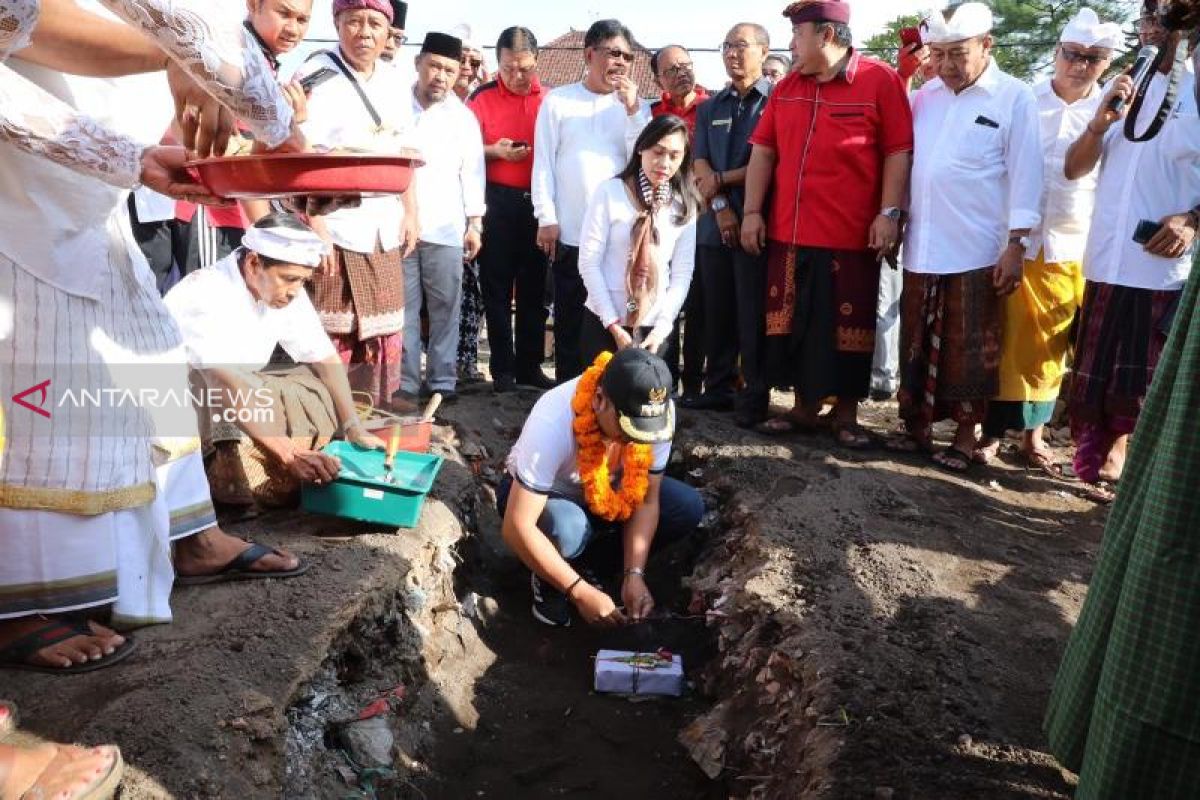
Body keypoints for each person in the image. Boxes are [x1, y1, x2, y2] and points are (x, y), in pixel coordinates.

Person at [0, 0, 306, 673]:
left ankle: (190, 532)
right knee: (37, 375)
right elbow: (23, 22)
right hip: (15, 197)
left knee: (149, 343)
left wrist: (131, 153)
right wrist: (255, 108)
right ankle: (19, 599)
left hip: (75, 180)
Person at [741, 0, 913, 448]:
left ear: (827, 36)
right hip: (789, 231)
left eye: (799, 35)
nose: (792, 45)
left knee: (847, 329)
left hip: (851, 235)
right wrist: (752, 212)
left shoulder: (880, 81)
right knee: (794, 323)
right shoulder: (787, 87)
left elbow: (898, 151)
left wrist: (889, 213)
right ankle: (802, 409)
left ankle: (846, 414)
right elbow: (763, 151)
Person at [891, 2, 1043, 471]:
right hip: (923, 243)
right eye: (937, 55)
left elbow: (1027, 175)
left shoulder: (1015, 97)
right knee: (914, 341)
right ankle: (914, 427)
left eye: (958, 54)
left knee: (970, 349)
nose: (946, 66)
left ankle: (963, 436)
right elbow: (905, 161)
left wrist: (1017, 244)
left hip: (980, 247)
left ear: (986, 46)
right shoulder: (925, 96)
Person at [1062, 2, 1200, 502]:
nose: (1151, 32)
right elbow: (1074, 169)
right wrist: (1098, 125)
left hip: (1160, 266)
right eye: (1146, 23)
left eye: (1163, 24)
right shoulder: (1122, 88)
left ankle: (1127, 459)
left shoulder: (1196, 90)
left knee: (1142, 377)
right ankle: (1092, 455)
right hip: (1106, 257)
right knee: (1097, 367)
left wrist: (1192, 220)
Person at [976, 10, 1120, 474]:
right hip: (1016, 238)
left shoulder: (1115, 112)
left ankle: (1034, 437)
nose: (1079, 65)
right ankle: (992, 434)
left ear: (1106, 62)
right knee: (1007, 339)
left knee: (1052, 347)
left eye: (1092, 58)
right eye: (1072, 54)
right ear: (1057, 53)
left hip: (1073, 242)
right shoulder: (1022, 99)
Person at [165, 213, 387, 507]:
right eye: (290, 279)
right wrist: (288, 454)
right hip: (175, 404)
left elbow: (324, 357)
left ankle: (279, 468)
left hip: (234, 387)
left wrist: (354, 426)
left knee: (312, 389)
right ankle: (223, 484)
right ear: (254, 263)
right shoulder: (204, 293)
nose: (295, 290)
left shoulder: (285, 291)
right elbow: (221, 382)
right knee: (223, 395)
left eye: (302, 281)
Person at [498, 347, 704, 627]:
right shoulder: (552, 419)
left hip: (611, 496)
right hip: (543, 501)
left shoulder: (656, 415)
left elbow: (646, 500)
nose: (635, 442)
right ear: (599, 400)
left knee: (685, 506)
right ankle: (552, 577)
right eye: (628, 430)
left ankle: (592, 568)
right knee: (568, 527)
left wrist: (635, 573)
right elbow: (516, 525)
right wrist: (579, 592)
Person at [300, 0, 418, 411]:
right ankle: (328, 417)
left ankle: (376, 411)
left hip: (383, 224)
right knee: (333, 332)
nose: (364, 32)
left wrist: (411, 212)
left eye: (374, 23)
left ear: (389, 31)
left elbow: (405, 155)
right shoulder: (316, 75)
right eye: (353, 21)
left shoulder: (395, 80)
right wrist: (316, 227)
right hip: (336, 223)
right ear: (337, 23)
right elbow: (301, 159)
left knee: (384, 330)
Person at [531, 18, 651, 381]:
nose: (620, 63)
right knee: (569, 319)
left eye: (628, 57)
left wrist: (632, 110)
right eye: (614, 53)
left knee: (615, 318)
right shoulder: (559, 100)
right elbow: (544, 163)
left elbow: (642, 159)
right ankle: (569, 393)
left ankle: (613, 393)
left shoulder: (636, 106)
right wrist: (545, 216)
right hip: (570, 231)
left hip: (620, 238)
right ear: (589, 54)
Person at [690, 22, 773, 425]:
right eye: (726, 46)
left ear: (764, 50)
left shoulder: (777, 101)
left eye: (741, 46)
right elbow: (700, 162)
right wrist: (720, 203)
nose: (732, 54)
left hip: (758, 222)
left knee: (751, 311)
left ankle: (755, 392)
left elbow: (771, 159)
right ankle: (718, 387)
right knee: (716, 308)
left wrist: (724, 181)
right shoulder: (710, 107)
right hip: (715, 223)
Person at [399, 31, 486, 403]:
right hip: (398, 226)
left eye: (450, 70)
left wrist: (475, 222)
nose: (441, 76)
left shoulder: (463, 118)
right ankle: (403, 383)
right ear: (419, 64)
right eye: (434, 66)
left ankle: (442, 381)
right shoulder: (394, 104)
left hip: (447, 228)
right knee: (401, 310)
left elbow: (473, 172)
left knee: (445, 309)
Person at [469, 26, 556, 393]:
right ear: (497, 63)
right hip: (497, 200)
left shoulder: (551, 99)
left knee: (535, 289)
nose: (517, 77)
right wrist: (495, 152)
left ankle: (529, 366)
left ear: (537, 62)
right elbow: (463, 151)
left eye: (524, 69)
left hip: (537, 204)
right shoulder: (481, 98)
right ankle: (502, 369)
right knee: (497, 287)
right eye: (507, 69)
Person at [578, 114, 699, 367]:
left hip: (656, 326)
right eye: (658, 152)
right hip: (605, 319)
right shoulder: (610, 192)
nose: (664, 163)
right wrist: (613, 324)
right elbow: (589, 262)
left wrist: (661, 329)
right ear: (641, 147)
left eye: (675, 156)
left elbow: (681, 273)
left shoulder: (683, 205)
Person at [648, 44, 709, 407]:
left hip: (707, 215)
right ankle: (662, 379)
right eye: (672, 70)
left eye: (687, 65)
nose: (682, 73)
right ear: (658, 79)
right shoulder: (651, 114)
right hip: (662, 218)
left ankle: (696, 384)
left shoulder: (712, 107)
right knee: (662, 296)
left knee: (700, 302)